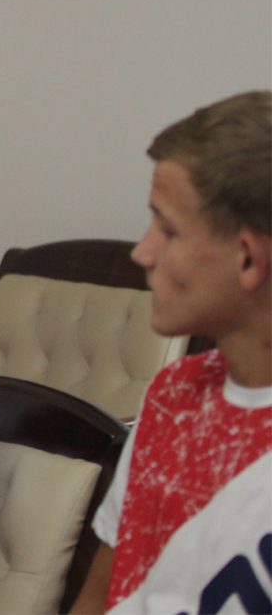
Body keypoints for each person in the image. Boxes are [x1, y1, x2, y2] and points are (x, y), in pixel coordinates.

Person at [69, 91, 271, 615]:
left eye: (168, 228)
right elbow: (101, 594)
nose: (142, 252)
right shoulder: (173, 394)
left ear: (248, 259)